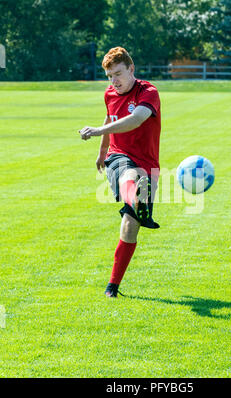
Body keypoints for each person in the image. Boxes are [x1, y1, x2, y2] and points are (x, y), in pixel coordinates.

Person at [78, 47, 161, 298]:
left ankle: (113, 286)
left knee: (130, 225)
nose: (114, 81)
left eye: (118, 74)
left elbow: (136, 119)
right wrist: (103, 151)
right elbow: (109, 117)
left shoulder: (148, 92)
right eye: (109, 76)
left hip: (148, 163)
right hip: (118, 156)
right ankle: (136, 194)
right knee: (130, 175)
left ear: (131, 69)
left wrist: (96, 132)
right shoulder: (110, 93)